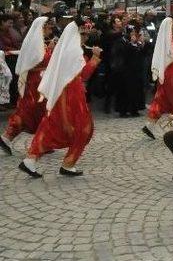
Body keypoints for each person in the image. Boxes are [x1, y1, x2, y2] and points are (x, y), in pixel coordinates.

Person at [18, 22, 102, 177]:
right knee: (83, 128)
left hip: (62, 93)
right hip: (72, 94)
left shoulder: (64, 49)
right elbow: (83, 74)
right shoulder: (74, 51)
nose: (86, 38)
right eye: (83, 34)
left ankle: (31, 159)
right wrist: (95, 58)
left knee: (52, 126)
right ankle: (68, 164)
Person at [0, 17, 53, 155]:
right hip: (36, 82)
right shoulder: (36, 43)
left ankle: (42, 142)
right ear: (42, 28)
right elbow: (40, 60)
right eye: (48, 27)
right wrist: (51, 50)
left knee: (36, 112)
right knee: (31, 112)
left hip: (39, 81)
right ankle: (8, 137)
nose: (50, 30)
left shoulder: (39, 42)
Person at [112, 25, 145, 117]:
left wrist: (140, 44)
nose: (133, 34)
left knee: (134, 91)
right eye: (131, 32)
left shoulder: (134, 42)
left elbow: (139, 53)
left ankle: (134, 109)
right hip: (124, 71)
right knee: (124, 92)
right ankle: (123, 111)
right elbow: (123, 54)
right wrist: (131, 43)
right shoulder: (120, 41)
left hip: (135, 71)